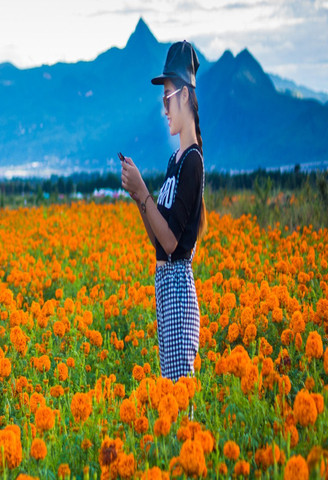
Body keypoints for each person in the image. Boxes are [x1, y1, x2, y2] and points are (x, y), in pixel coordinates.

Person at [120, 40, 207, 383]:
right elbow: (157, 238)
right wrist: (137, 197)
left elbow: (171, 243)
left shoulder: (193, 161)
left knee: (177, 394)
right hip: (164, 285)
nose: (164, 109)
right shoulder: (175, 161)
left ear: (185, 96)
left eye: (167, 97)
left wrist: (143, 192)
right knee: (169, 391)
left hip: (178, 290)